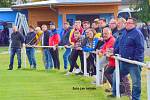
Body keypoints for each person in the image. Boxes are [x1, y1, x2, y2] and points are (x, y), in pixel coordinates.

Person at [112, 18, 144, 100]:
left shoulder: (137, 33)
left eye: (129, 23)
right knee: (116, 74)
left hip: (133, 63)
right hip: (123, 61)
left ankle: (135, 98)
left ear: (134, 24)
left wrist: (135, 60)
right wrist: (114, 52)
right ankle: (115, 93)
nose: (127, 24)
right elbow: (120, 45)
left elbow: (140, 48)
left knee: (136, 82)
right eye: (126, 22)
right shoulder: (124, 33)